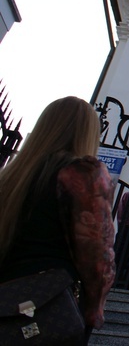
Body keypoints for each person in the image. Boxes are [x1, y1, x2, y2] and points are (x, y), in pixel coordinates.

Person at [0, 96, 116, 339]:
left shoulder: (11, 178)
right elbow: (97, 255)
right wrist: (94, 310)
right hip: (47, 302)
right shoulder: (82, 173)